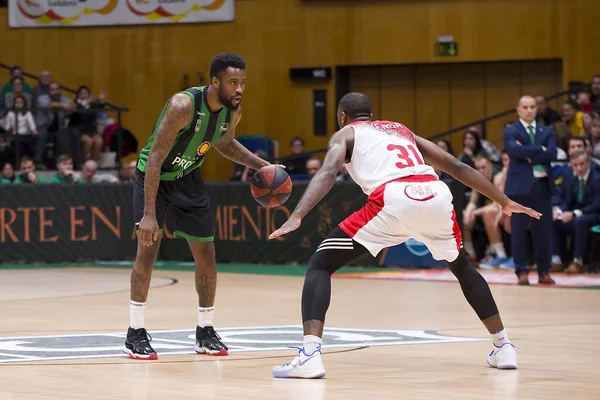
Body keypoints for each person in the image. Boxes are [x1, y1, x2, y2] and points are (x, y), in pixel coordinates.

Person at [269, 92, 541, 379]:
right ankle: (504, 345)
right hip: (435, 194)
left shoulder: (345, 134)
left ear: (341, 117)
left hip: (392, 197)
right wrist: (503, 200)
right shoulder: (400, 129)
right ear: (371, 115)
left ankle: (310, 355)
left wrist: (298, 214)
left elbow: (327, 173)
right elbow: (455, 166)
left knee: (320, 264)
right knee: (462, 267)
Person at [124, 53, 281, 360]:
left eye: (243, 83)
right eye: (233, 82)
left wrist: (264, 166)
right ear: (215, 82)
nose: (239, 89)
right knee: (148, 249)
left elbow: (225, 144)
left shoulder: (232, 112)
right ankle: (135, 332)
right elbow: (155, 157)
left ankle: (205, 331)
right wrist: (148, 213)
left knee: (207, 254)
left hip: (188, 178)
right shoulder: (183, 107)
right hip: (154, 176)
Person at [503, 96, 557, 285]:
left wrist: (528, 153)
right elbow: (514, 151)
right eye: (525, 107)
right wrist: (539, 150)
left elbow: (552, 153)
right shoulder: (511, 130)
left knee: (544, 232)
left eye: (532, 107)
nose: (529, 110)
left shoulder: (546, 130)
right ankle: (522, 271)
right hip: (520, 188)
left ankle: (544, 271)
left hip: (542, 186)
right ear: (518, 110)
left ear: (537, 109)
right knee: (518, 232)